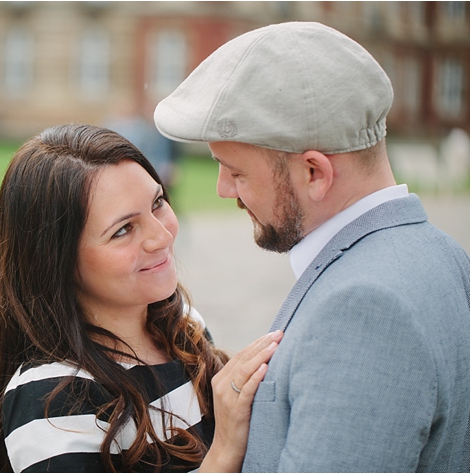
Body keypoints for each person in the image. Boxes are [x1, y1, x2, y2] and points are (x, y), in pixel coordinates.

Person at [154, 21, 470, 472]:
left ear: (314, 174)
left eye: (237, 172)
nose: (225, 189)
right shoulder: (441, 252)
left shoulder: (364, 309)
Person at [0, 123, 283, 472]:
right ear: (56, 260)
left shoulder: (186, 326)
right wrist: (224, 450)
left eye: (158, 203)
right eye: (123, 230)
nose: (161, 236)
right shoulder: (51, 399)